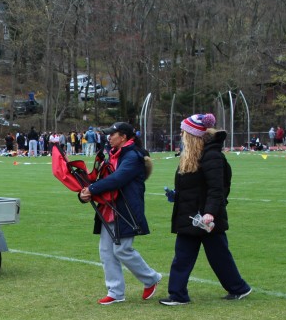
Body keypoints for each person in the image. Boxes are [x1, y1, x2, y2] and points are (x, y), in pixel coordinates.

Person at [159, 114, 251, 305]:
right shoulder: (192, 156)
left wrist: (210, 212)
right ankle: (179, 294)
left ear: (193, 135)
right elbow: (193, 186)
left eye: (184, 132)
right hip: (191, 215)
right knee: (185, 256)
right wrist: (176, 195)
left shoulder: (212, 156)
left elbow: (217, 189)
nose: (181, 135)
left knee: (218, 257)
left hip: (204, 217)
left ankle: (237, 288)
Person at [78, 122, 162, 305]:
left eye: (113, 134)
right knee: (106, 252)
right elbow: (103, 179)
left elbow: (117, 179)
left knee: (122, 249)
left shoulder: (133, 156)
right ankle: (115, 292)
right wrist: (84, 193)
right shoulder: (113, 154)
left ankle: (151, 278)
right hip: (109, 208)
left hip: (126, 209)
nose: (109, 137)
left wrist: (91, 189)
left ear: (123, 137)